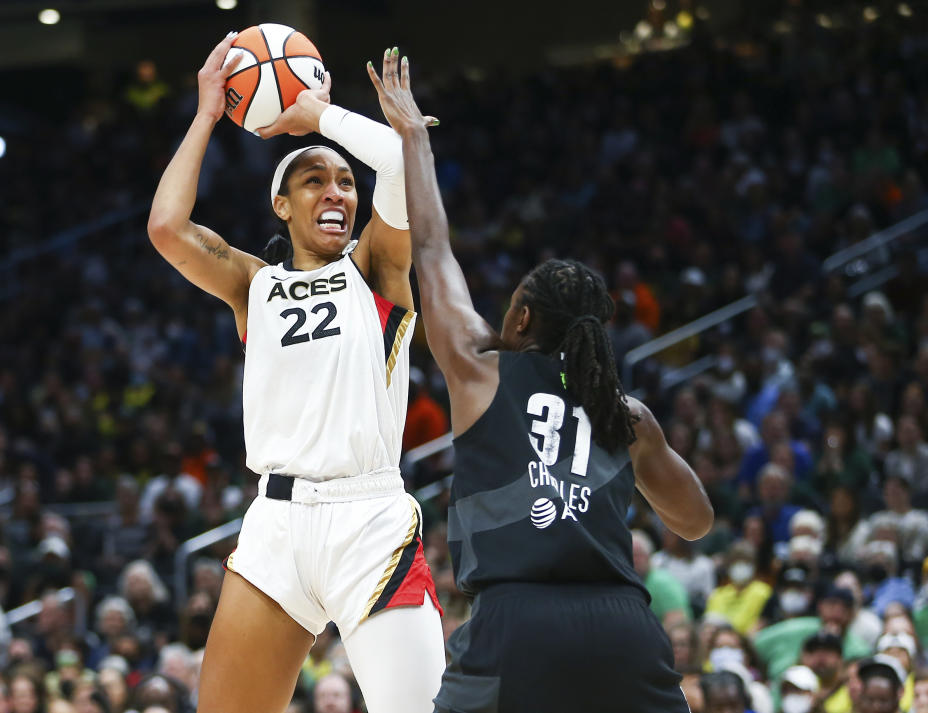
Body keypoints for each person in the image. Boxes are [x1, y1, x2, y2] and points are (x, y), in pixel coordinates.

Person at [367, 47, 713, 711]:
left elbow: (433, 249)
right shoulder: (629, 415)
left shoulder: (479, 371)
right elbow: (695, 520)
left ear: (522, 314)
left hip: (515, 622)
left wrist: (413, 137)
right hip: (621, 627)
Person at [147, 36, 444, 713]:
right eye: (315, 180)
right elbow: (166, 226)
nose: (337, 191)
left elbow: (399, 157)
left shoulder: (376, 269)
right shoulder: (254, 283)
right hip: (277, 522)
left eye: (344, 181)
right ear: (282, 204)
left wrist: (317, 115)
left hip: (367, 517)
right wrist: (205, 116)